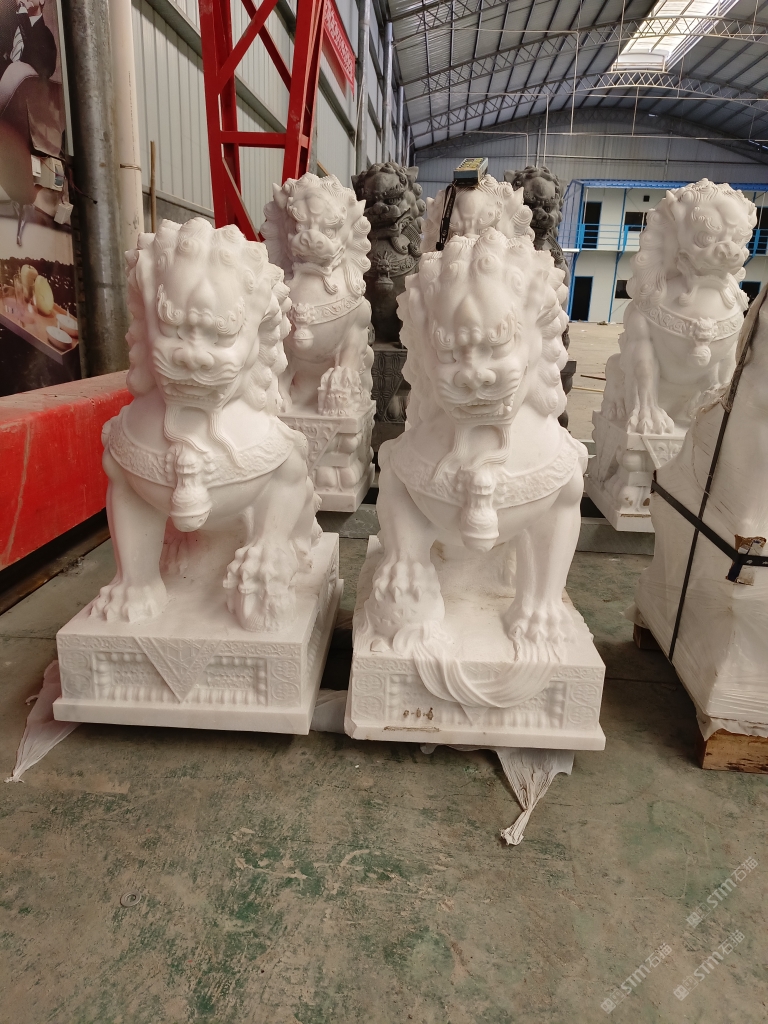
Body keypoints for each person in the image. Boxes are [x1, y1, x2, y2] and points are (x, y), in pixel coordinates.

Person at [0, 0, 57, 81]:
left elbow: (45, 69)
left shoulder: (46, 33)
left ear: (41, 1)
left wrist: (24, 16)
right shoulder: (9, 29)